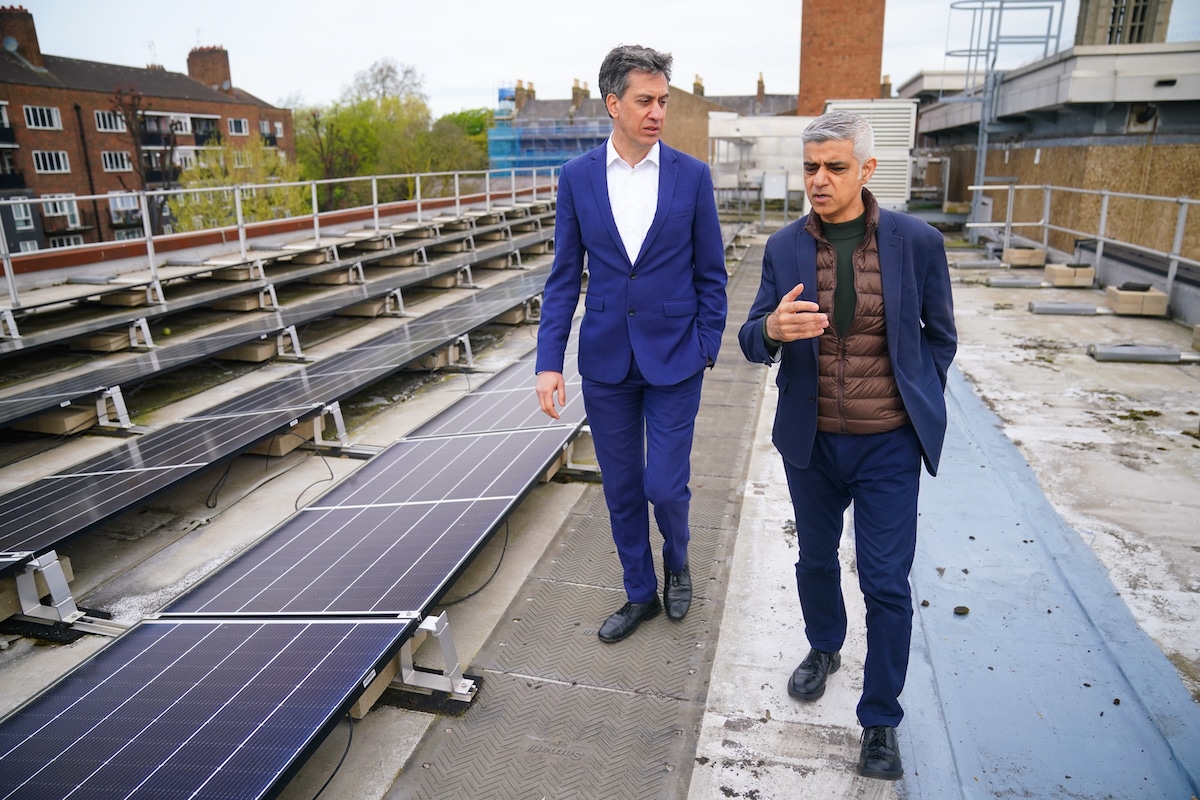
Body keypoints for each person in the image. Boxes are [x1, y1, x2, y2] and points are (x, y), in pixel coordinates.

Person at [738, 110, 957, 780]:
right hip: (813, 443)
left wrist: (913, 395)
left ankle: (880, 719)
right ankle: (824, 647)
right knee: (813, 561)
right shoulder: (782, 248)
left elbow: (940, 336)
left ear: (867, 169)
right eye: (810, 167)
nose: (820, 180)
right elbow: (750, 340)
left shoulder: (915, 242)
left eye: (835, 166)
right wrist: (772, 329)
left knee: (886, 582)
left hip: (887, 446)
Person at [535, 44, 728, 644]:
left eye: (663, 101)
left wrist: (706, 346)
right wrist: (549, 362)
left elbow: (712, 275)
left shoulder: (692, 177)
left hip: (676, 358)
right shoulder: (577, 178)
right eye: (645, 101)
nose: (657, 112)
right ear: (613, 104)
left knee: (664, 486)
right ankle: (639, 592)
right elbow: (565, 276)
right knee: (620, 488)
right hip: (608, 362)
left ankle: (678, 560)